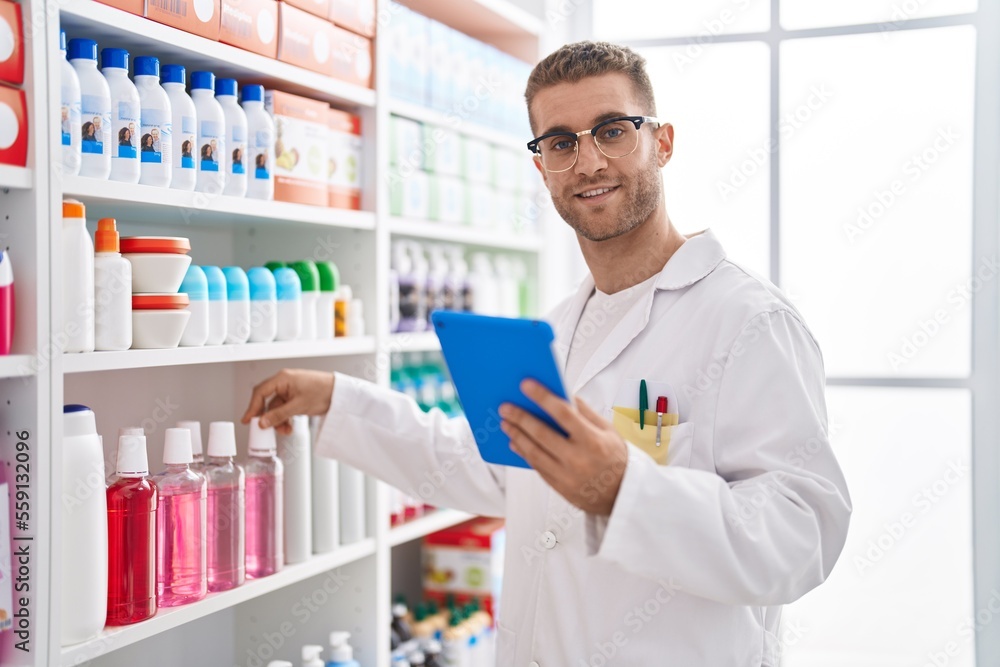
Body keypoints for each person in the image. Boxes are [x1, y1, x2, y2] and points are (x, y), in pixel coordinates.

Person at [243, 41, 852, 665]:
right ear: (542, 168)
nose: (588, 161)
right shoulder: (558, 328)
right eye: (561, 142)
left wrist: (623, 489)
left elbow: (803, 534)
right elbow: (495, 465)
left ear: (662, 143)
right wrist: (338, 399)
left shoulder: (749, 321)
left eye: (613, 131)